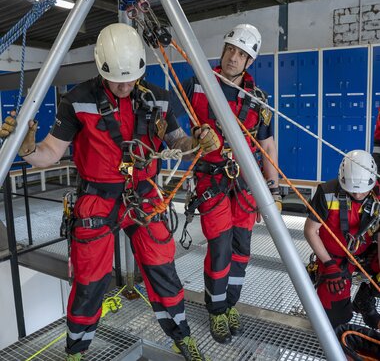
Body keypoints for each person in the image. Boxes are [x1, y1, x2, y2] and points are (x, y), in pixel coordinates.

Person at [0, 23, 220, 361]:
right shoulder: (78, 101)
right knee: (89, 281)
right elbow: (50, 153)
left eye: (131, 78)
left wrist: (200, 141)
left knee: (163, 270)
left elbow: (179, 143)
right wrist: (27, 149)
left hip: (143, 196)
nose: (125, 85)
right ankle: (76, 351)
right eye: (118, 79)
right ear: (101, 68)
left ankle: (182, 337)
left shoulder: (157, 98)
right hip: (97, 198)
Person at [172, 24, 281, 344]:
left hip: (246, 185)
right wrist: (190, 140)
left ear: (250, 61)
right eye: (230, 49)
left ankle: (231, 303)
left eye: (242, 54)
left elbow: (268, 146)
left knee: (241, 250)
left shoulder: (257, 99)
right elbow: (167, 125)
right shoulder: (198, 85)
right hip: (212, 180)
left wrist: (273, 190)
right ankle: (216, 309)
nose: (233, 57)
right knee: (220, 249)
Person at [304, 149, 380, 331]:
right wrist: (328, 264)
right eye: (354, 191)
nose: (359, 195)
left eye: (363, 191)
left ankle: (365, 299)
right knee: (335, 321)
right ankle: (322, 278)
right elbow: (310, 230)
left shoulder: (377, 194)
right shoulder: (327, 192)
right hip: (334, 258)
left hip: (365, 253)